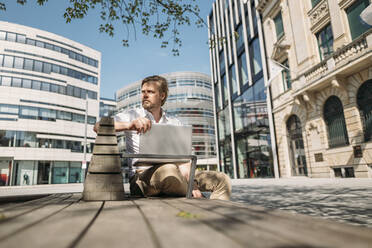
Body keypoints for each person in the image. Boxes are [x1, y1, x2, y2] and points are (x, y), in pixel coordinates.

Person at [94, 75, 231, 200]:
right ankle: (201, 203)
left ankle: (213, 215)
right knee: (168, 170)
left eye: (150, 92)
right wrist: (129, 125)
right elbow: (98, 127)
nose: (145, 95)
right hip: (141, 178)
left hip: (176, 172)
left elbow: (184, 160)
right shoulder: (132, 115)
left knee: (221, 179)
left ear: (162, 95)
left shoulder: (174, 122)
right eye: (143, 92)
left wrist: (193, 185)